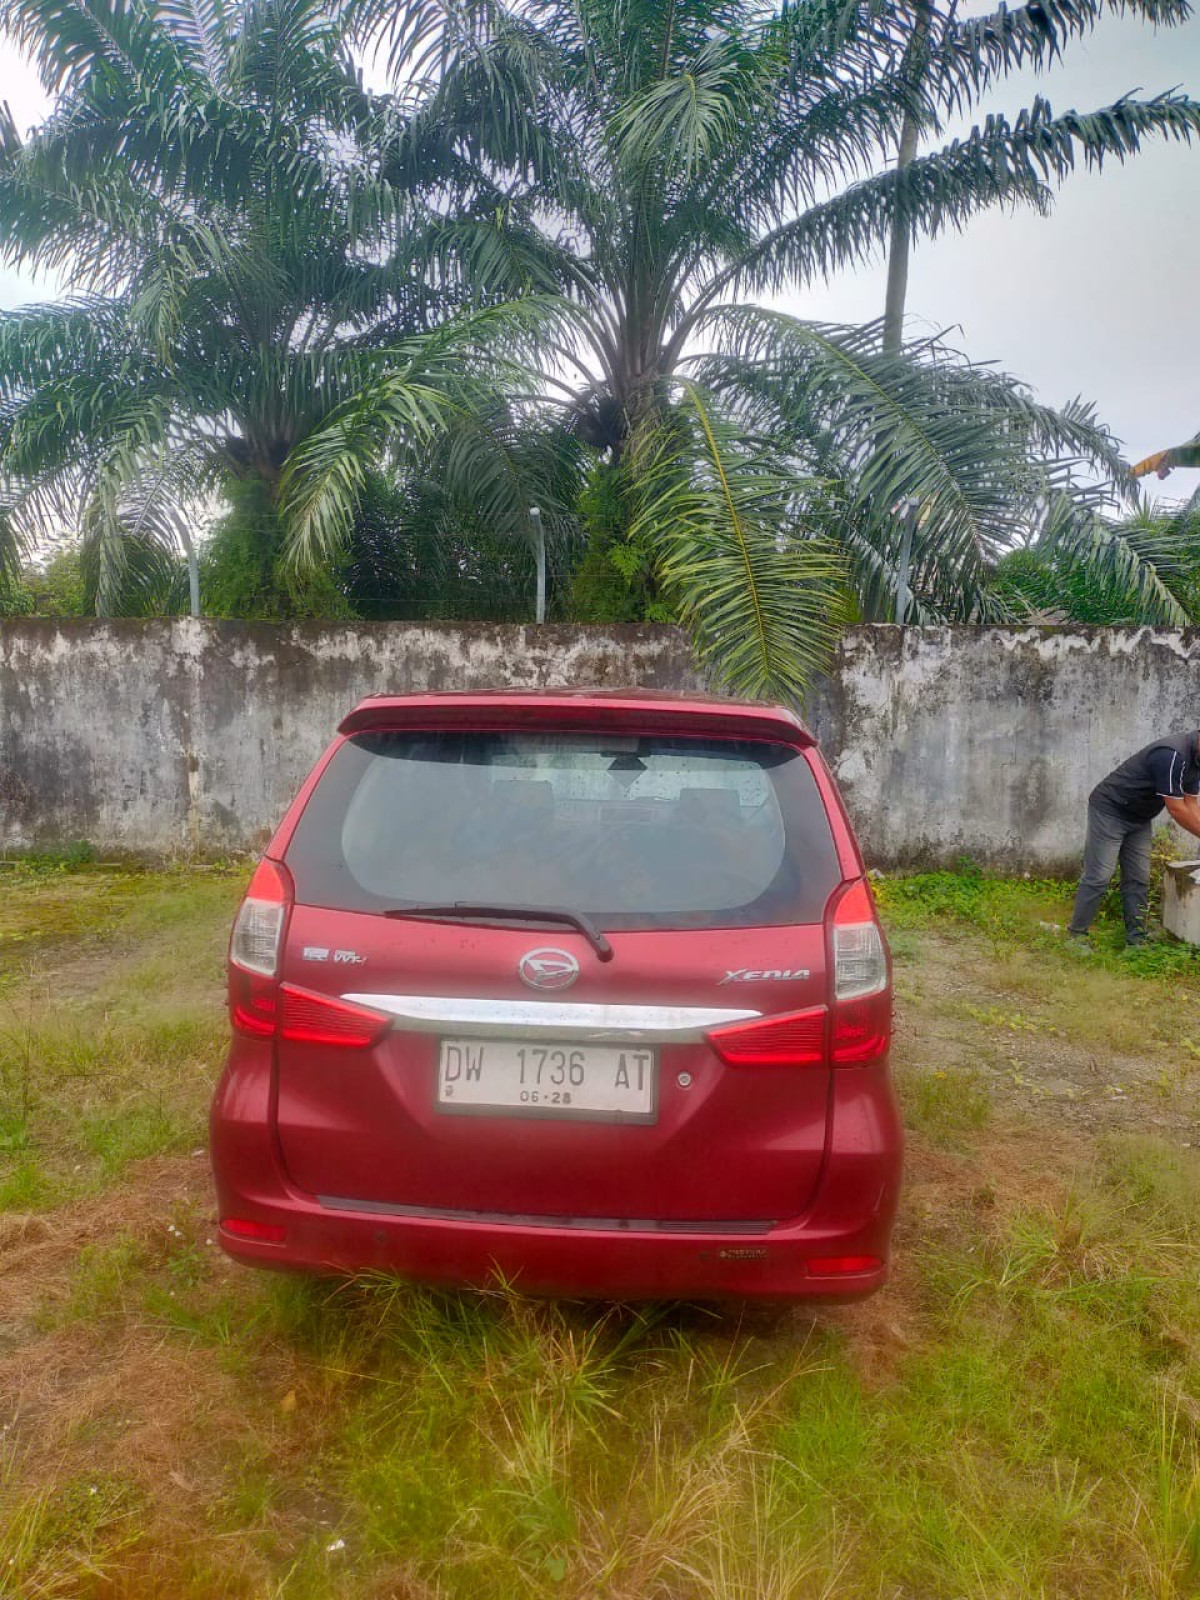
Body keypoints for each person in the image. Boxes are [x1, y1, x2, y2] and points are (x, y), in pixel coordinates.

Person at [1069, 731, 1200, 947]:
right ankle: (1076, 936)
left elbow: (1191, 805)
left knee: (1138, 878)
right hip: (1110, 809)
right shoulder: (1171, 754)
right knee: (1099, 876)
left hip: (1139, 817)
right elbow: (1177, 809)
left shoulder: (1196, 760)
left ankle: (1136, 938)